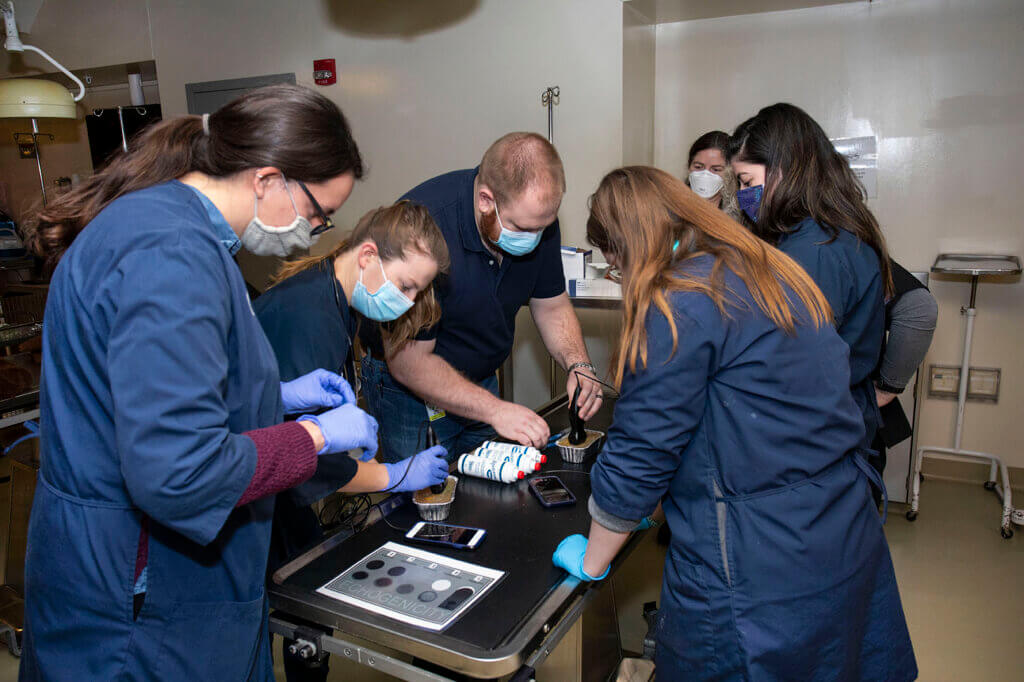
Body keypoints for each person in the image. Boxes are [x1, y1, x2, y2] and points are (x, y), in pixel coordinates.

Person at [19, 85, 380, 681]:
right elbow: (179, 471)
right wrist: (314, 436)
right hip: (137, 602)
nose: (315, 232)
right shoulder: (172, 253)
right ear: (267, 180)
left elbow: (153, 386)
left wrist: (275, 396)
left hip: (132, 573)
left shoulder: (171, 225)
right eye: (318, 215)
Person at [552, 166, 917, 680]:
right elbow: (747, 413)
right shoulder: (771, 270)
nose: (622, 279)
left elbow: (643, 449)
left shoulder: (677, 302)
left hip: (755, 565)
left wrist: (594, 559)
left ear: (630, 247)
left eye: (617, 266)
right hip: (842, 527)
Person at [254, 201, 450, 682]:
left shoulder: (333, 297)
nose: (406, 300)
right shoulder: (311, 316)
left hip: (270, 485)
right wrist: (396, 475)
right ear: (367, 256)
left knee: (307, 604)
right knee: (298, 612)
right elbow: (308, 462)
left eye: (417, 291)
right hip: (252, 493)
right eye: (405, 286)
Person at [360, 132, 602, 463]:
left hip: (479, 379)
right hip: (410, 392)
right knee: (425, 502)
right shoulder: (424, 230)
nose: (535, 238)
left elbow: (551, 304)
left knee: (485, 496)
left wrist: (578, 364)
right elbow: (408, 363)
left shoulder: (536, 218)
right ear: (486, 200)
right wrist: (497, 411)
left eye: (543, 228)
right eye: (523, 228)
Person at [728, 103, 893, 449]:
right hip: (829, 418)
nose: (744, 196)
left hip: (814, 431)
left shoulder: (813, 253)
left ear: (785, 170)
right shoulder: (827, 236)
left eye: (748, 181)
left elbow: (791, 362)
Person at [870, 260, 938, 503]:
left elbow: (919, 309)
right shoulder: (855, 244)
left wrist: (885, 391)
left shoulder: (842, 246)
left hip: (842, 412)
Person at [684, 130, 742, 222]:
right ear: (689, 166)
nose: (705, 175)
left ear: (730, 172)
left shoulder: (741, 215)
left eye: (716, 169)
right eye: (698, 167)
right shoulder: (674, 209)